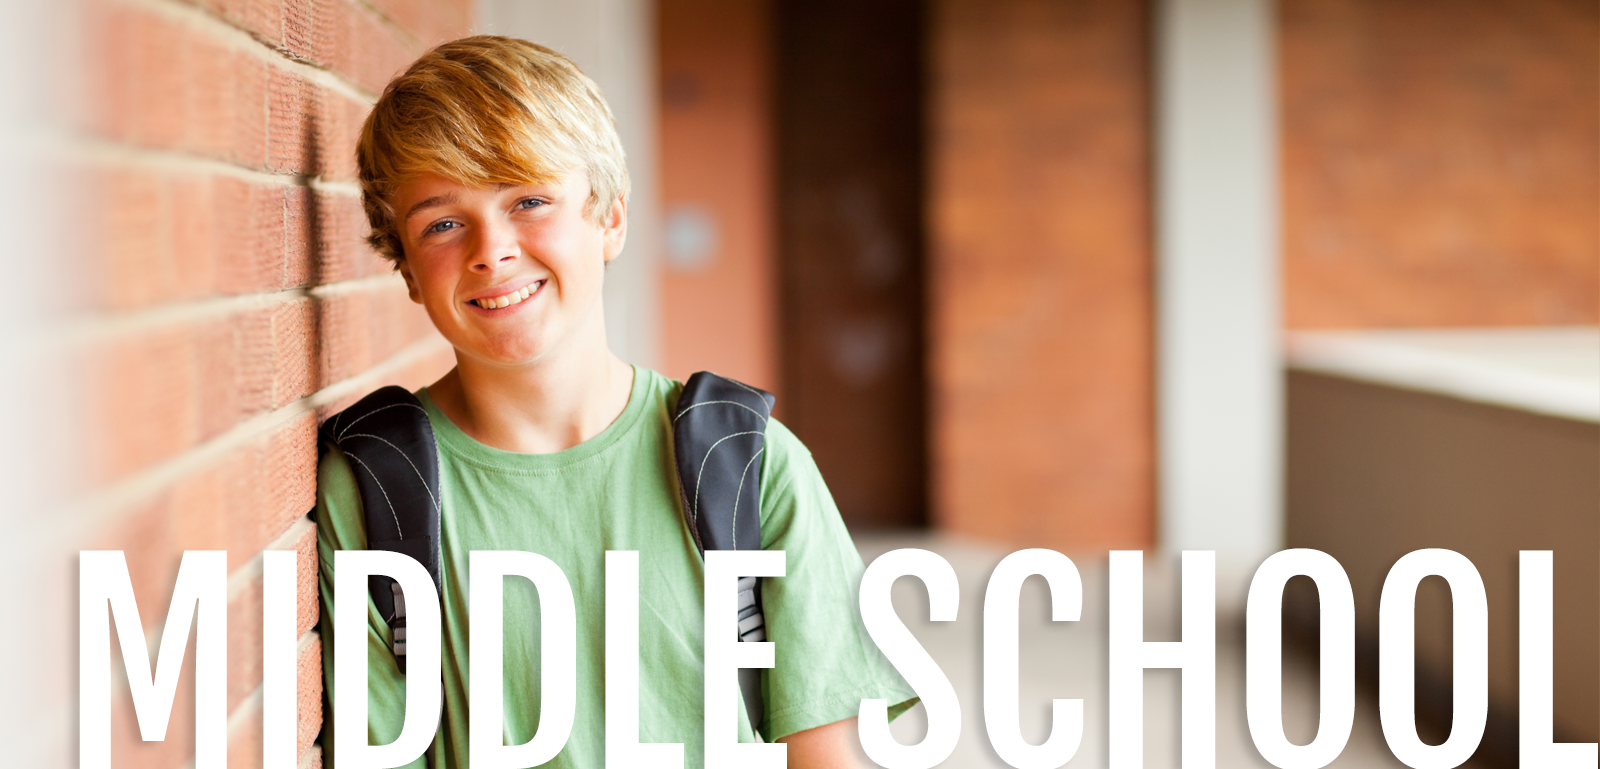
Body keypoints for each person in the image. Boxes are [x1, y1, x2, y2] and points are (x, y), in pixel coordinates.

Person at [315, 35, 917, 767]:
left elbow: (822, 755)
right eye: (443, 222)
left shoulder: (747, 466)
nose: (492, 250)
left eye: (529, 200)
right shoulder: (377, 489)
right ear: (407, 268)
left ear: (610, 218)